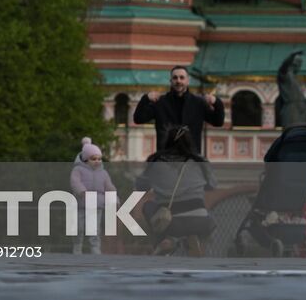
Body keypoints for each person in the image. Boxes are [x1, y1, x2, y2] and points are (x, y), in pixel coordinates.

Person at [135, 125, 217, 255]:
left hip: (170, 222)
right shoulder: (200, 161)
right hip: (201, 221)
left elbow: (140, 186)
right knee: (209, 215)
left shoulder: (155, 161)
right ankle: (196, 241)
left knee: (148, 206)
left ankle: (165, 240)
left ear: (167, 141)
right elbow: (212, 185)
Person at [133, 66, 224, 154]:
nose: (178, 81)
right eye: (175, 78)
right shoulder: (161, 103)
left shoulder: (198, 103)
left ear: (188, 81)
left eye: (182, 78)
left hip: (191, 158)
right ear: (171, 81)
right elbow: (138, 119)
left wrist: (217, 102)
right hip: (165, 158)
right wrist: (146, 99)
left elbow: (218, 122)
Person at [70, 139, 117, 254]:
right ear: (86, 160)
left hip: (96, 205)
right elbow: (75, 182)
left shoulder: (103, 173)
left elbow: (109, 187)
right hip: (80, 204)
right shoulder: (78, 170)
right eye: (93, 159)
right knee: (78, 228)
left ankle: (95, 249)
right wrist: (83, 192)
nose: (97, 161)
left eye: (99, 159)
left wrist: (114, 200)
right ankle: (77, 247)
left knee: (95, 229)